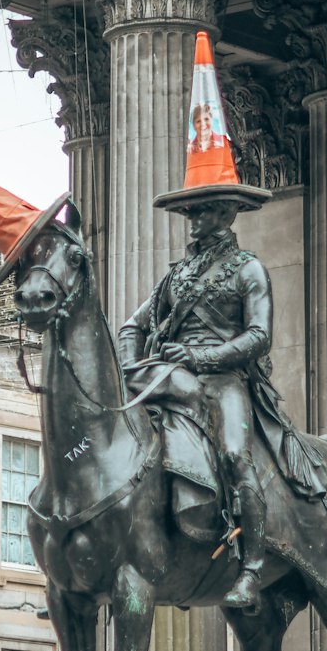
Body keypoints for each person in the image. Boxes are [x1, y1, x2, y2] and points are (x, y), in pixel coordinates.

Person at [118, 196, 308, 609]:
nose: (192, 220)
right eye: (188, 213)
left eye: (200, 211)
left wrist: (201, 357)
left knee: (237, 455)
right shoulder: (177, 276)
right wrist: (130, 370)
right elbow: (132, 326)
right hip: (169, 375)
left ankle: (252, 568)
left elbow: (259, 336)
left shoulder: (248, 269)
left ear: (225, 213)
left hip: (224, 380)